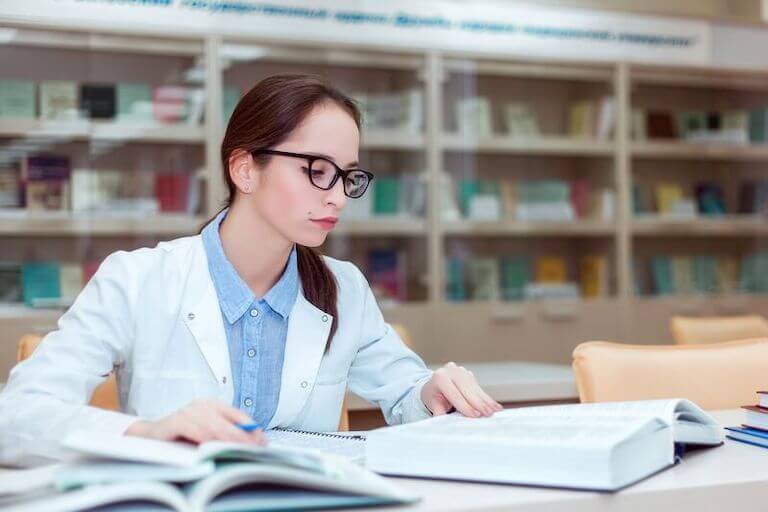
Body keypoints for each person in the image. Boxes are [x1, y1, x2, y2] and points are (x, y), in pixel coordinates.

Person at [0, 74, 501, 466]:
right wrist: (146, 433)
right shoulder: (138, 280)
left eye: (347, 175)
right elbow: (17, 418)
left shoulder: (344, 288)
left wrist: (434, 392)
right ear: (244, 169)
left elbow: (406, 397)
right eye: (316, 170)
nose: (336, 196)